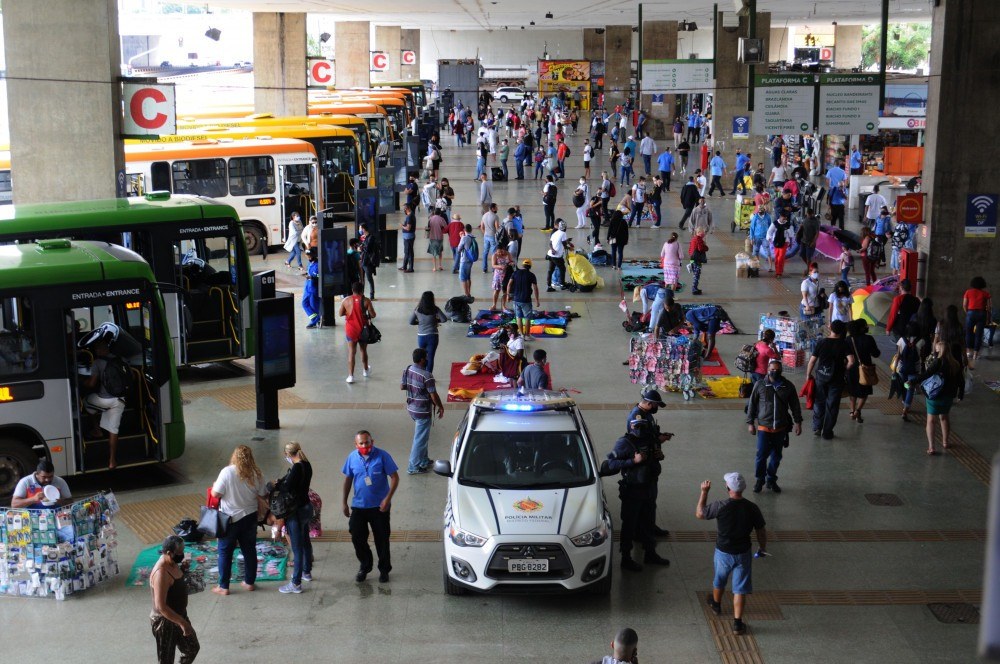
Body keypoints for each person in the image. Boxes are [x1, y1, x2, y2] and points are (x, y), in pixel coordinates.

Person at [696, 473, 767, 636]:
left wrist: (704, 492)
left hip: (723, 552)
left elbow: (700, 513)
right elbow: (761, 531)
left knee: (719, 580)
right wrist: (762, 548)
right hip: (743, 553)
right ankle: (737, 624)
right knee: (740, 589)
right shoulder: (752, 508)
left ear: (727, 488)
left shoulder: (720, 506)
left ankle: (716, 604)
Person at [605, 416, 671, 572]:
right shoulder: (624, 443)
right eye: (637, 426)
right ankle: (626, 558)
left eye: (643, 426)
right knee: (629, 525)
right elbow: (611, 464)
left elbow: (656, 457)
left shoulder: (651, 440)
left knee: (649, 522)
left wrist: (658, 456)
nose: (640, 430)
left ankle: (650, 553)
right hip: (632, 491)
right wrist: (632, 462)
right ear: (631, 427)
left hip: (649, 488)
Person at [210, 445, 268, 596]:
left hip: (230, 519)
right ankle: (249, 582)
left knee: (224, 552)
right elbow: (263, 494)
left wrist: (216, 485)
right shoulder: (256, 473)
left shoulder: (227, 472)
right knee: (249, 550)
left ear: (234, 456)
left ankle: (224, 587)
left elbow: (216, 494)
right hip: (250, 517)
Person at [342, 431, 399, 583]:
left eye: (367, 442)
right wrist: (344, 502)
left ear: (372, 441)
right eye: (361, 443)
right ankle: (365, 565)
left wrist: (387, 499)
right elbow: (348, 479)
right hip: (359, 506)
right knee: (357, 536)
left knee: (382, 539)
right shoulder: (352, 457)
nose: (364, 445)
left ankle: (384, 569)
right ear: (356, 444)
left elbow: (394, 477)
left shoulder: (382, 456)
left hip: (379, 507)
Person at [746, 361, 802, 493]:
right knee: (761, 455)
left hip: (780, 428)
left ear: (781, 370)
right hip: (764, 427)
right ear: (767, 370)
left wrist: (798, 422)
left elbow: (795, 405)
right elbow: (752, 404)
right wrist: (750, 423)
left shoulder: (788, 386)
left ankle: (771, 479)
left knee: (776, 456)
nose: (774, 372)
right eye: (772, 369)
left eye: (777, 369)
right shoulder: (760, 385)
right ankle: (760, 480)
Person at [149, 535, 199, 664]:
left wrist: (183, 570)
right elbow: (161, 606)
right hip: (165, 621)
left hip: (178, 614)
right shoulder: (161, 573)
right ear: (169, 553)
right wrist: (182, 623)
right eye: (179, 552)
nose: (182, 554)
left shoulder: (172, 561)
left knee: (192, 648)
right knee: (166, 660)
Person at [82, 337, 126, 469]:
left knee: (86, 401)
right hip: (120, 400)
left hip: (104, 400)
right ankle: (112, 460)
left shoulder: (97, 362)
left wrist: (80, 381)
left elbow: (91, 384)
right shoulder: (120, 359)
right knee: (114, 429)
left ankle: (97, 430)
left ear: (98, 350)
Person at [806, 320, 854, 440]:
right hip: (836, 379)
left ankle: (817, 427)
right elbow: (851, 361)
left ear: (831, 329)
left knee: (819, 401)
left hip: (821, 377)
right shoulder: (844, 344)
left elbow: (812, 361)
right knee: (832, 405)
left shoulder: (822, 342)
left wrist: (808, 375)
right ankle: (827, 432)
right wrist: (844, 369)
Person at [277, 442, 313, 594]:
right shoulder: (307, 464)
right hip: (306, 508)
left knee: (297, 548)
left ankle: (296, 583)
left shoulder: (297, 468)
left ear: (288, 454)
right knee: (305, 541)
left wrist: (279, 484)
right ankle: (306, 572)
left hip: (296, 511)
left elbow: (287, 487)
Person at [401, 348, 445, 475]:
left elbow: (402, 386)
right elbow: (433, 395)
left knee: (423, 436)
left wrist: (414, 387)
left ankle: (423, 460)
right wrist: (441, 407)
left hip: (411, 408)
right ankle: (413, 466)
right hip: (422, 411)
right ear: (421, 360)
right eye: (426, 357)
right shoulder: (427, 376)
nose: (428, 359)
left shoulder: (407, 369)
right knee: (419, 439)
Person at [920, 341, 963, 455]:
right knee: (944, 418)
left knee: (931, 420)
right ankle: (945, 442)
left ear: (939, 350)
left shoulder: (938, 362)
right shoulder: (955, 363)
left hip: (935, 395)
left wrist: (913, 381)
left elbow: (927, 374)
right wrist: (961, 394)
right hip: (948, 397)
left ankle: (931, 447)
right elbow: (961, 381)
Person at [338, 281, 376, 384]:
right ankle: (365, 371)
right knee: (363, 350)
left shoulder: (346, 300)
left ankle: (350, 376)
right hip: (363, 330)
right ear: (362, 290)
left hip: (351, 330)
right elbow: (373, 315)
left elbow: (340, 313)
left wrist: (349, 311)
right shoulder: (366, 301)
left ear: (352, 290)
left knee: (351, 352)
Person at [846, 319, 881, 424]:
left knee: (852, 391)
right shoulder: (868, 339)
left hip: (851, 369)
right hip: (865, 370)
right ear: (861, 327)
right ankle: (858, 410)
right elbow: (876, 354)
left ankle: (852, 411)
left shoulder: (848, 339)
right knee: (864, 392)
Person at [410, 291, 448, 373]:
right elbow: (444, 319)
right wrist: (435, 321)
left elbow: (411, 322)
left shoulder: (417, 309)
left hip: (421, 336)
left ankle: (421, 375)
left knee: (422, 357)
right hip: (433, 336)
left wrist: (419, 322)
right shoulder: (435, 309)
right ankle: (428, 376)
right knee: (430, 357)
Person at [507, 259, 541, 340]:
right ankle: (527, 335)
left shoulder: (515, 273)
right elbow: (535, 288)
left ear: (522, 266)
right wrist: (537, 300)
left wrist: (508, 295)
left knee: (518, 317)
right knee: (527, 318)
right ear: (530, 266)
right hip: (526, 300)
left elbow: (509, 284)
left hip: (516, 299)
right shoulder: (531, 275)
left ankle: (521, 335)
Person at [963, 276, 992, 364]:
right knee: (979, 334)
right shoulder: (986, 294)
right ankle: (976, 354)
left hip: (970, 313)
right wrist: (988, 317)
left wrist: (968, 313)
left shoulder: (968, 292)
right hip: (981, 314)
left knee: (968, 333)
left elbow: (964, 305)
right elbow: (989, 307)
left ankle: (968, 352)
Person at [546, 219, 571, 292]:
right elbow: (564, 244)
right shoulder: (563, 233)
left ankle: (549, 286)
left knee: (550, 270)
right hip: (557, 256)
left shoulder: (555, 233)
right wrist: (569, 247)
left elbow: (550, 243)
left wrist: (552, 249)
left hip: (550, 254)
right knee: (562, 269)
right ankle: (562, 284)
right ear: (565, 227)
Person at [766, 212, 793, 278]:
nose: (784, 219)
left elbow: (791, 235)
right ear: (780, 217)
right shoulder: (775, 224)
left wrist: (791, 242)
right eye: (783, 217)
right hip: (776, 242)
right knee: (776, 257)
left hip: (784, 243)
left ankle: (779, 272)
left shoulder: (788, 225)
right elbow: (769, 232)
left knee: (780, 257)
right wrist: (769, 238)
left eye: (785, 218)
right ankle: (778, 270)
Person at [490, 243, 513, 311]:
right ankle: (494, 304)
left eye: (501, 251)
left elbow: (511, 261)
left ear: (504, 250)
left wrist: (511, 263)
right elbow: (493, 265)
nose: (500, 253)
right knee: (496, 290)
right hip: (498, 275)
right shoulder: (495, 255)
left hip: (506, 275)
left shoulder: (508, 254)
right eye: (498, 252)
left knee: (504, 291)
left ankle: (503, 305)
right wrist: (500, 266)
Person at [456, 224, 476, 298]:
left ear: (464, 230)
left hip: (464, 259)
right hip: (470, 259)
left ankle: (466, 294)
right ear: (471, 229)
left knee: (463, 278)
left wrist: (461, 237)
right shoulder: (472, 237)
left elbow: (459, 249)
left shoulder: (464, 238)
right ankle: (469, 292)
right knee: (468, 277)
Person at [426, 207, 448, 272]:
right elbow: (446, 227)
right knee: (440, 251)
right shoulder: (441, 219)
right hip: (440, 237)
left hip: (432, 237)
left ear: (434, 212)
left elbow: (428, 227)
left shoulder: (430, 219)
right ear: (440, 213)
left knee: (434, 253)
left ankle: (434, 267)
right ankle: (440, 265)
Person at [688, 229, 709, 295]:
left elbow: (690, 250)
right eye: (702, 233)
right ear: (698, 232)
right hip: (697, 259)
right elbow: (700, 248)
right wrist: (706, 247)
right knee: (697, 274)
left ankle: (695, 288)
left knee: (695, 274)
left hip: (692, 258)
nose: (703, 234)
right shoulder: (698, 239)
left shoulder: (693, 238)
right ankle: (694, 289)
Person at [399, 204, 416, 273]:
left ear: (407, 209)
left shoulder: (409, 217)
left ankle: (411, 268)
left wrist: (402, 226)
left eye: (404, 209)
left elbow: (408, 228)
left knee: (409, 252)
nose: (404, 210)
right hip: (407, 236)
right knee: (406, 252)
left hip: (408, 237)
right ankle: (404, 266)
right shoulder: (411, 215)